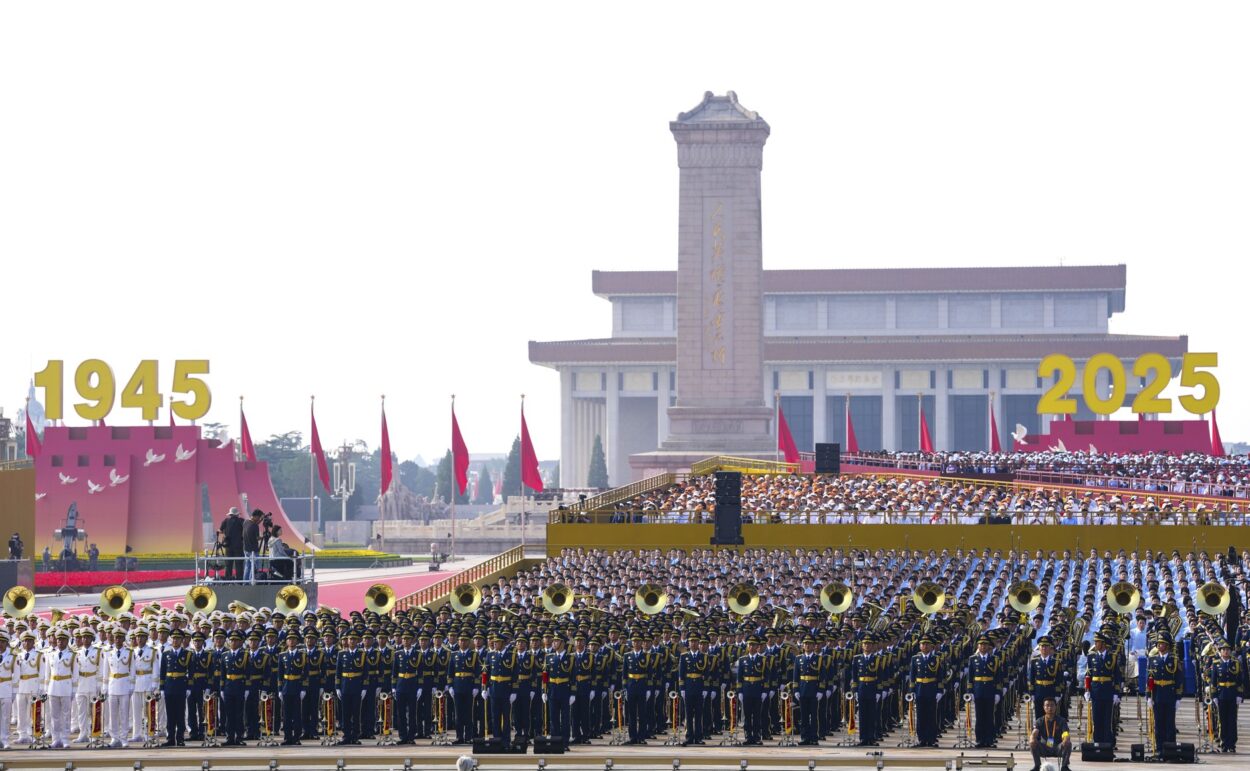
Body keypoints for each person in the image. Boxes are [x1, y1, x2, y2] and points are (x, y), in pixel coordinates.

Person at [1030, 696, 1072, 771]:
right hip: (1044, 747)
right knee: (1032, 742)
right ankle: (1037, 766)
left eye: (1052, 705)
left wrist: (1066, 739)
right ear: (1044, 707)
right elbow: (1034, 733)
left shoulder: (1061, 720)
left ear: (1056, 707)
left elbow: (1065, 733)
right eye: (1047, 705)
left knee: (1068, 743)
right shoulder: (1040, 721)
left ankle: (1064, 767)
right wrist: (1033, 737)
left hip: (1057, 748)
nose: (1050, 708)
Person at [218, 507, 245, 581]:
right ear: (237, 514)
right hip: (238, 546)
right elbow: (246, 529)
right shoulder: (241, 521)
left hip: (228, 546)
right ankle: (240, 580)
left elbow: (219, 530)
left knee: (228, 564)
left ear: (230, 514)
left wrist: (225, 532)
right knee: (239, 564)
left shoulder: (226, 521)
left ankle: (228, 579)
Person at [243, 509, 262, 585]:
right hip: (253, 550)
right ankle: (252, 582)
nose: (259, 519)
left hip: (246, 549)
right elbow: (257, 538)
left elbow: (253, 524)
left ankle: (245, 583)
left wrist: (261, 520)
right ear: (257, 516)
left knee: (247, 567)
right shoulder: (255, 526)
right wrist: (263, 537)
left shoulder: (246, 522)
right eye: (259, 517)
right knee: (254, 567)